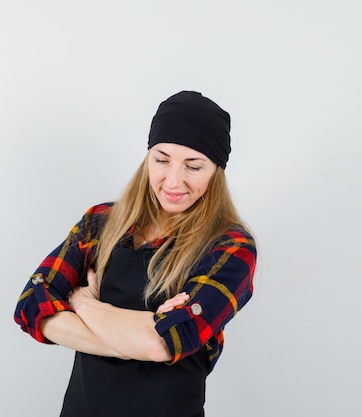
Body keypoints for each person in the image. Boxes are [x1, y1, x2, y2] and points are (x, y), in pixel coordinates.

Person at [14, 91, 257, 417]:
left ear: (216, 171)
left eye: (193, 166)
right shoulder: (99, 223)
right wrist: (138, 336)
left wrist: (84, 304)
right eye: (161, 159)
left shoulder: (230, 248)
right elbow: (32, 304)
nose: (173, 180)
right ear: (147, 158)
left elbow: (162, 342)